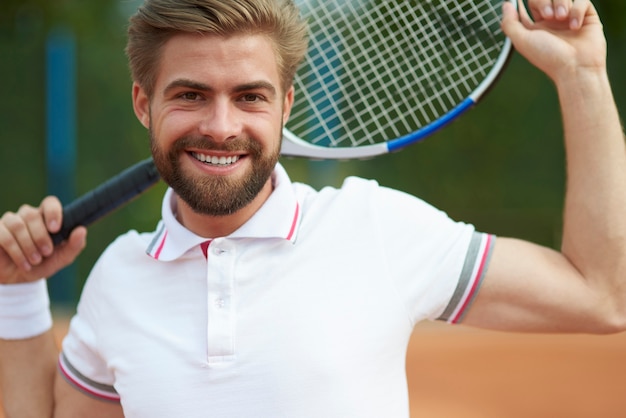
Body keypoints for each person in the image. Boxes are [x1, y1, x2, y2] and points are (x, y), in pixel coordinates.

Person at [0, 0, 624, 416]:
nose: (221, 126)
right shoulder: (118, 278)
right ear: (144, 103)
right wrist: (20, 292)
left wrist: (583, 75)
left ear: (286, 105)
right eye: (191, 95)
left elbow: (602, 295)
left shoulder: (374, 228)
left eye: (250, 96)